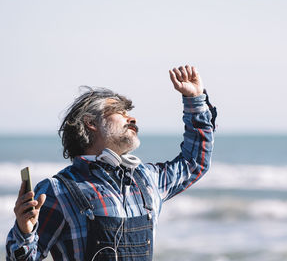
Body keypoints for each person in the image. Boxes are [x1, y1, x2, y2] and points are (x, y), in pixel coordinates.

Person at [6, 65, 216, 260]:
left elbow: (194, 162)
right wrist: (25, 232)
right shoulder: (57, 191)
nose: (132, 119)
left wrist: (194, 99)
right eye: (121, 112)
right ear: (90, 123)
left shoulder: (147, 179)